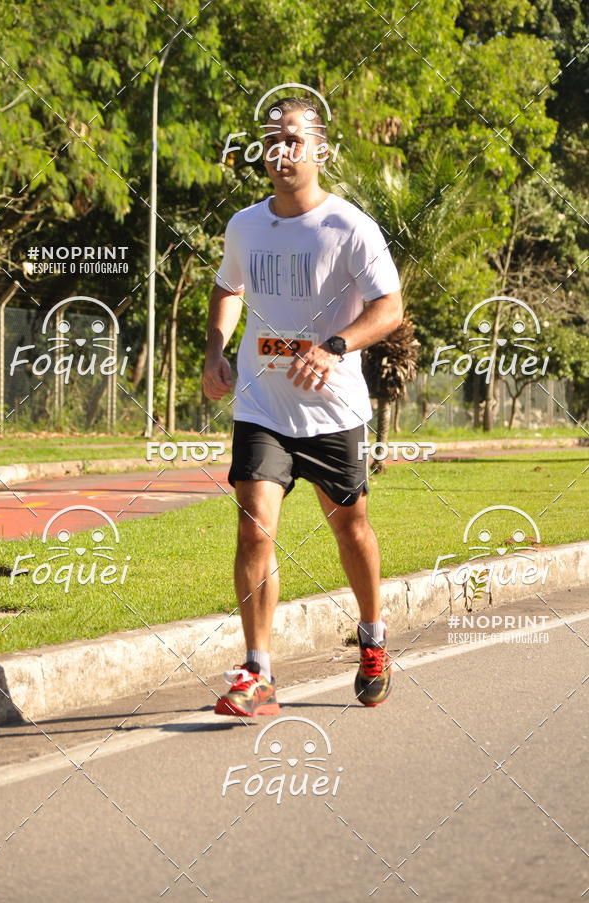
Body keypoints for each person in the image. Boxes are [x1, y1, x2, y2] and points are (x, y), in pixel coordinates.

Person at [203, 96, 403, 717]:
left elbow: (390, 308)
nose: (281, 151)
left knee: (352, 528)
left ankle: (372, 639)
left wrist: (335, 347)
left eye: (293, 139)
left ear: (320, 149)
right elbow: (227, 286)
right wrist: (215, 348)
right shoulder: (245, 225)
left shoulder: (350, 226)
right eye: (272, 140)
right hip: (263, 404)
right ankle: (257, 670)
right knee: (252, 526)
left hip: (333, 411)